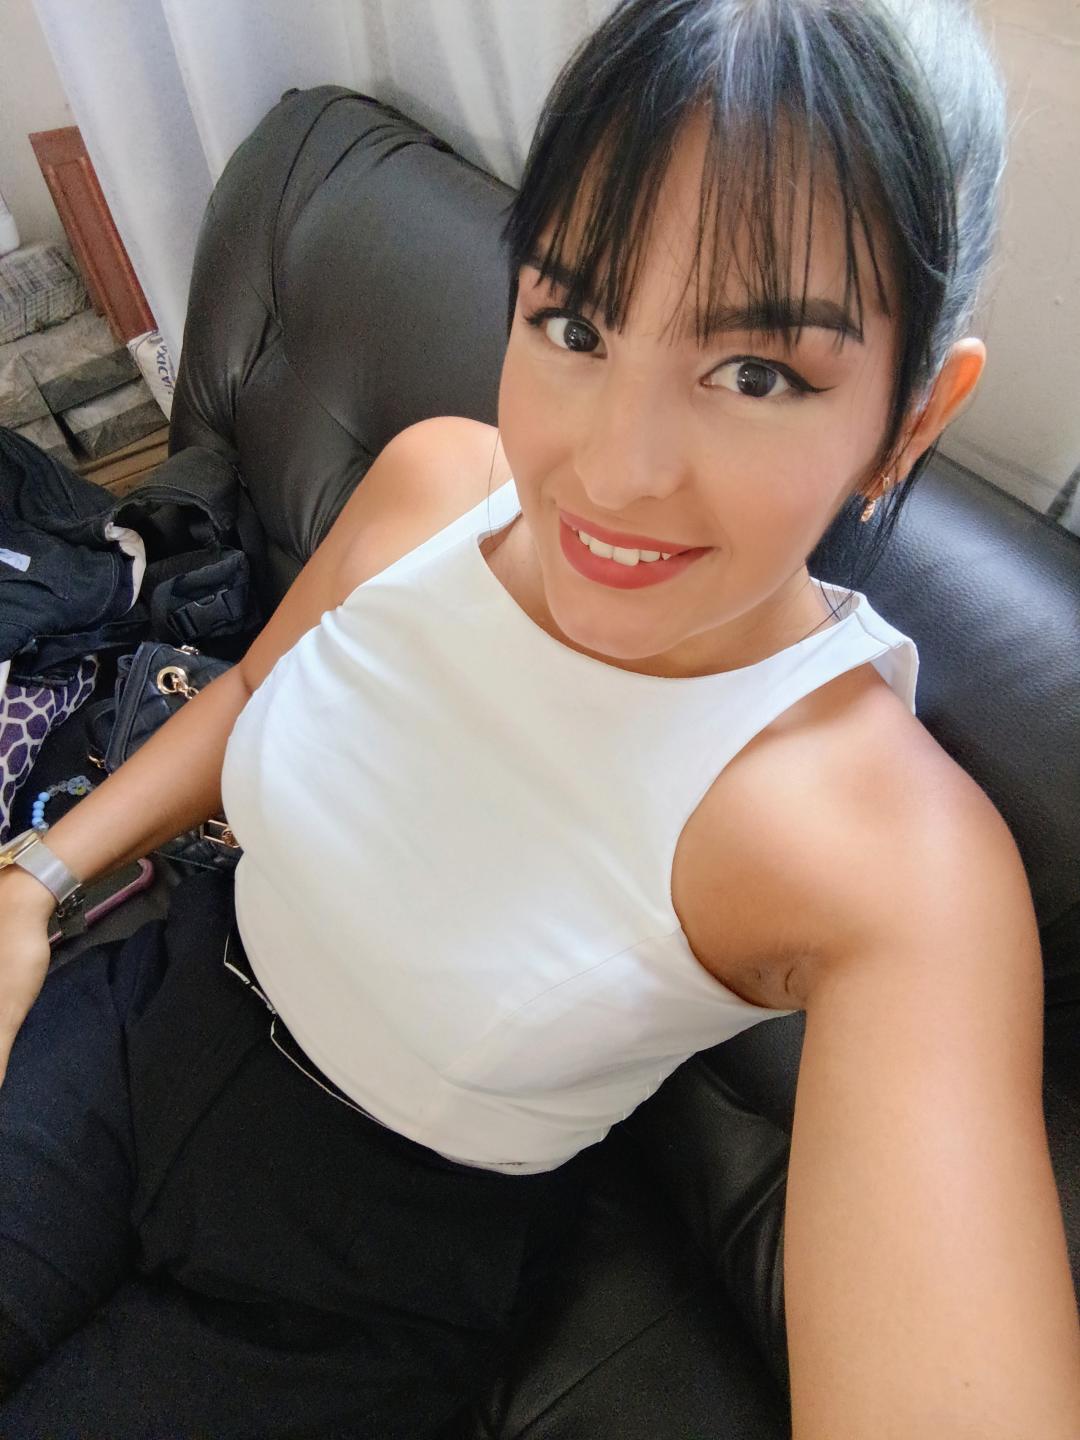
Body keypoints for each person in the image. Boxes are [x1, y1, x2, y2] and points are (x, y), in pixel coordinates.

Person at [1, 0, 1079, 1434]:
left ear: (909, 422)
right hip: (144, 1010)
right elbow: (255, 687)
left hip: (346, 1280)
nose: (615, 470)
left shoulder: (881, 851)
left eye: (757, 373)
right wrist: (36, 881)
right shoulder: (439, 484)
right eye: (575, 322)